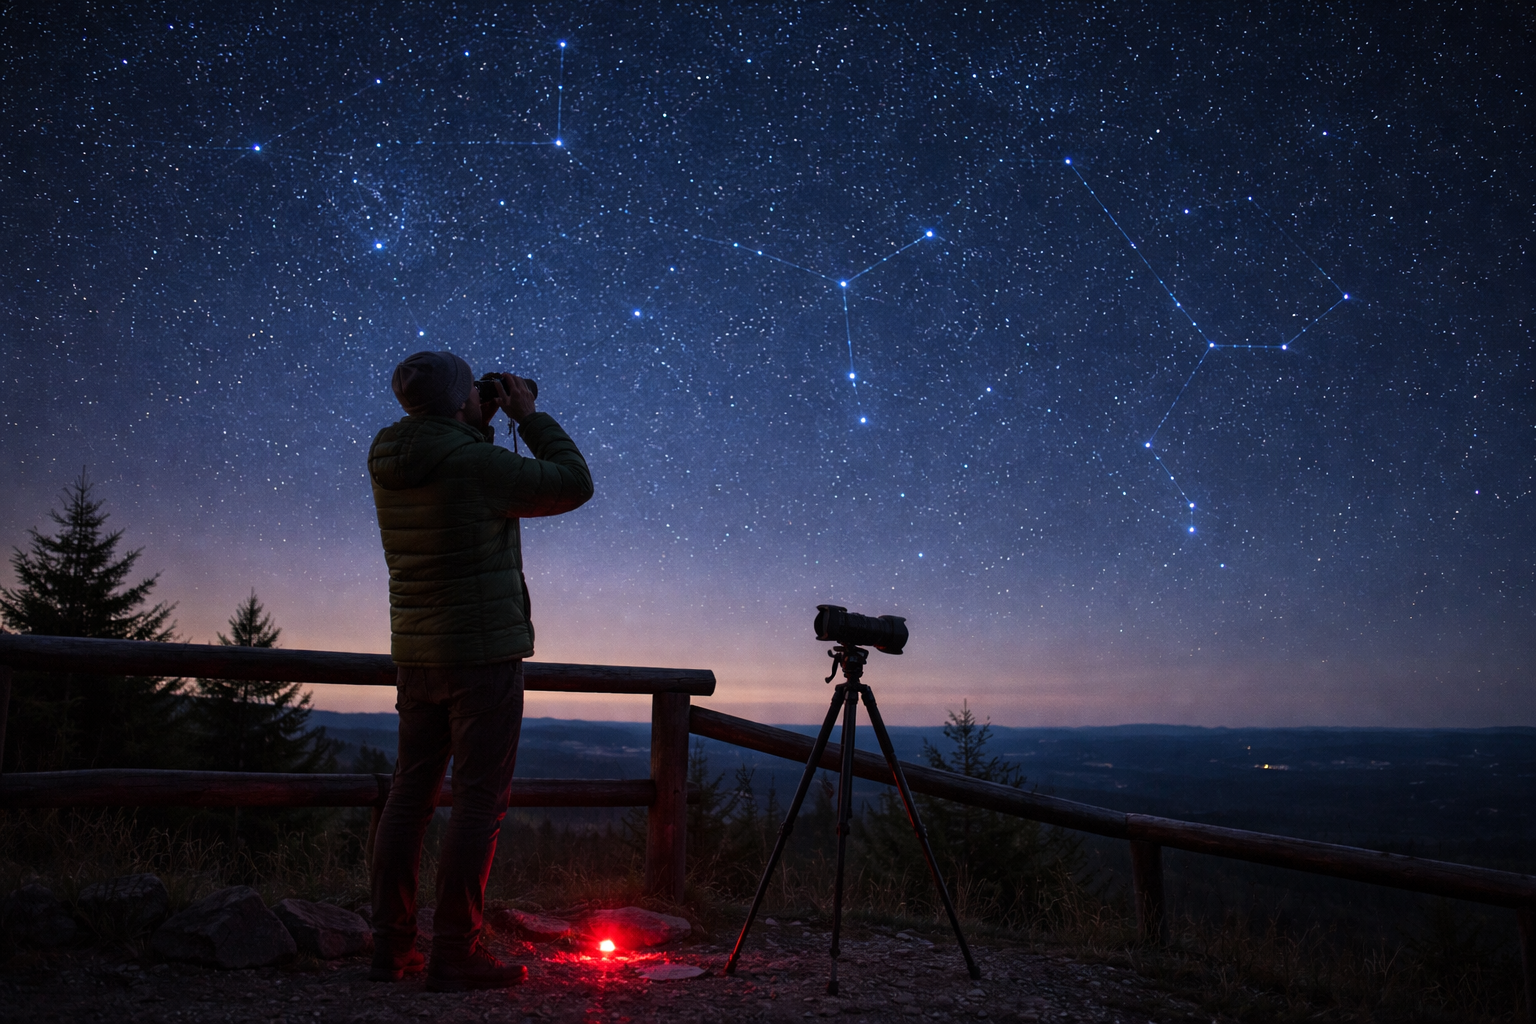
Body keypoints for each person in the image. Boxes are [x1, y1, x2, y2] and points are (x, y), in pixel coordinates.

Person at [366, 351, 593, 991]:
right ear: (457, 399)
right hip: (482, 653)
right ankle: (456, 952)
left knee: (408, 798)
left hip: (417, 652)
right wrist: (531, 415)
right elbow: (572, 483)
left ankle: (390, 949)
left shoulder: (391, 458)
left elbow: (459, 469)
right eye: (474, 390)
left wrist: (474, 416)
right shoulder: (473, 463)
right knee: (477, 803)